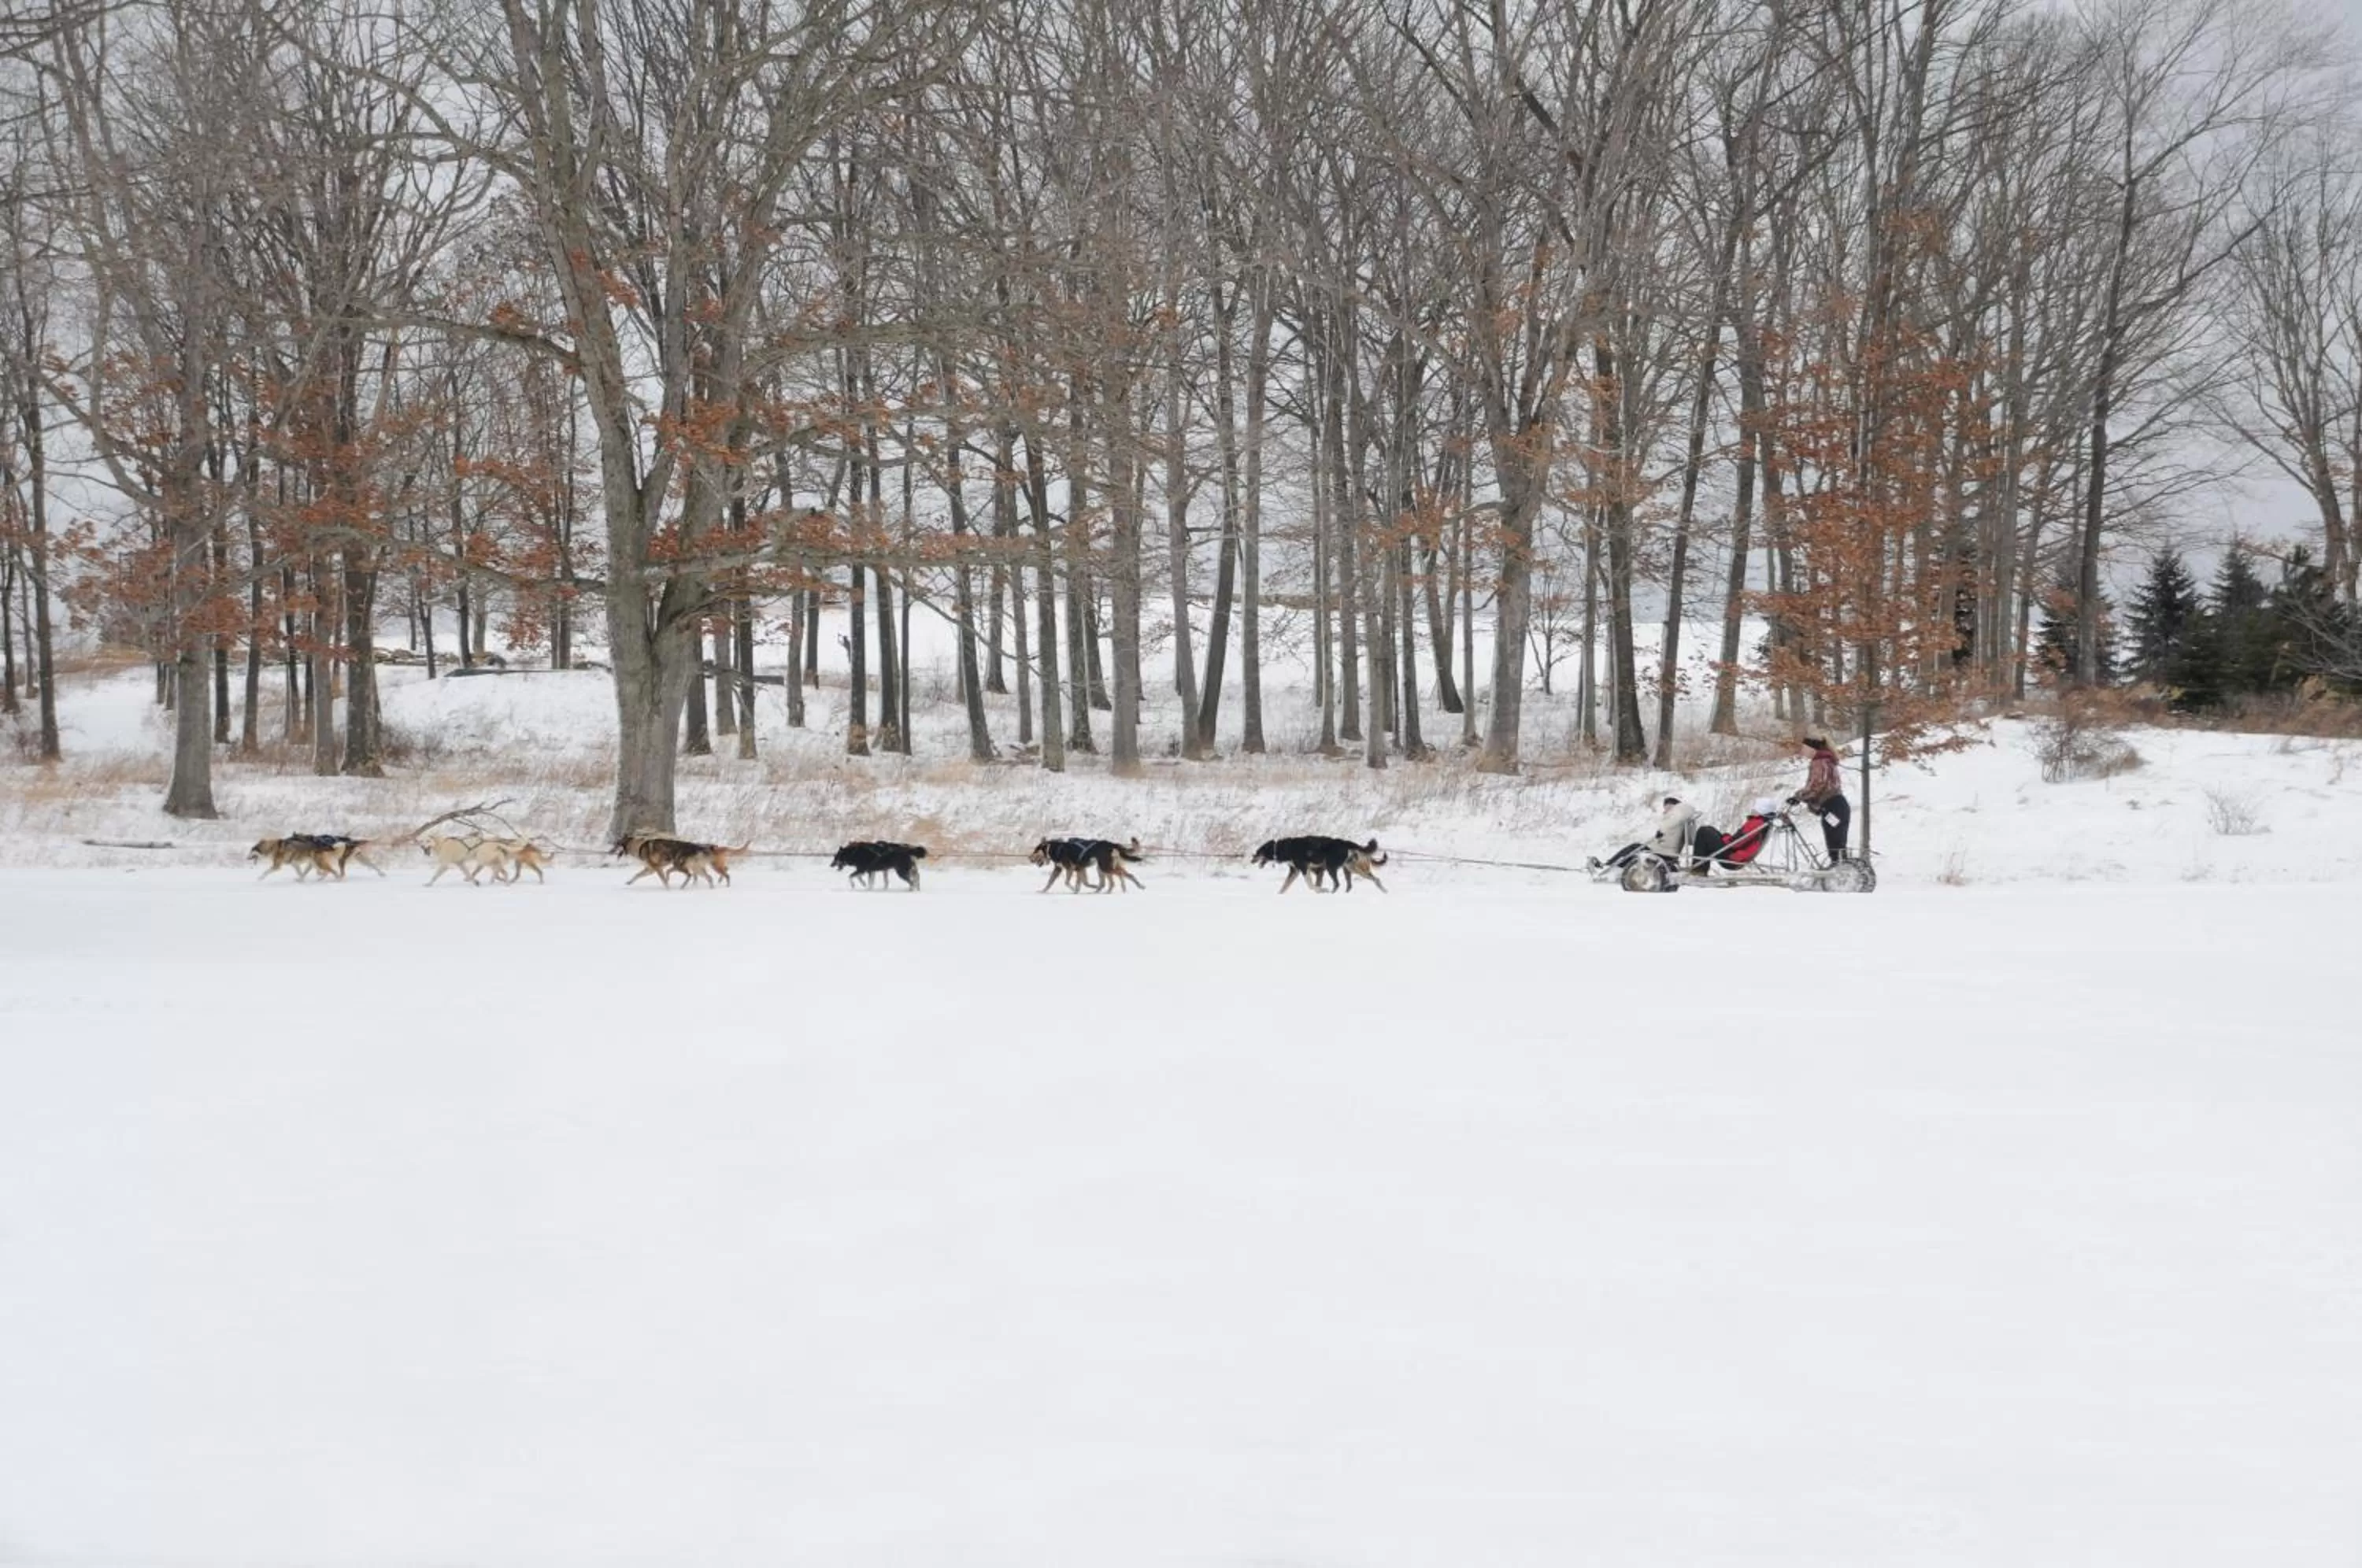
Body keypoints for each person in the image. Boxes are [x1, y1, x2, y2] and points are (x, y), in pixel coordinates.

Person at [1590, 795, 1703, 876]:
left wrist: (1662, 829)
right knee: (1634, 849)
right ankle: (1611, 866)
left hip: (1664, 853)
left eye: (1667, 807)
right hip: (1661, 850)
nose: (1665, 810)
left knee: (1634, 848)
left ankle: (1608, 867)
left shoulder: (1678, 815)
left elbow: (1680, 815)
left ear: (1674, 806)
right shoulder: (1675, 819)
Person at [1787, 735, 1850, 861]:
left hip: (1831, 807)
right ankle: (1843, 869)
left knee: (1834, 847)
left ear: (1812, 748)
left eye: (1804, 748)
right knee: (1839, 846)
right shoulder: (1829, 760)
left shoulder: (1819, 762)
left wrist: (1798, 797)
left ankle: (1839, 869)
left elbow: (1817, 785)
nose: (1803, 751)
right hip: (1839, 806)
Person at [1695, 797, 1779, 875]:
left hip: (1733, 858)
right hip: (1737, 855)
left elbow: (1736, 843)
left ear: (1761, 809)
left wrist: (1725, 838)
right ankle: (1700, 869)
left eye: (1755, 807)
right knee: (1710, 830)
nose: (1753, 809)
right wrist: (1724, 837)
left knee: (1704, 832)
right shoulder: (1764, 822)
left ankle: (1699, 870)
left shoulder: (1756, 823)